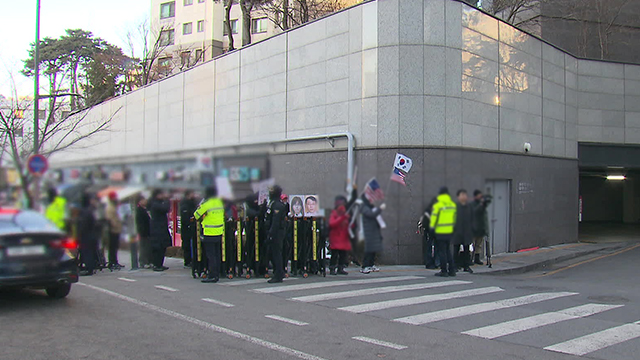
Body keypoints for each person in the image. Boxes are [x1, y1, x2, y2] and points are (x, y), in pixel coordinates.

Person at [194, 186, 225, 283]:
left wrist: (200, 208)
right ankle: (217, 274)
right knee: (217, 254)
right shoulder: (220, 203)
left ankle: (212, 275)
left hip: (209, 232)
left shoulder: (207, 204)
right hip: (219, 232)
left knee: (211, 256)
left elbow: (196, 215)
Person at [430, 187, 457, 277]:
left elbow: (433, 218)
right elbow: (455, 219)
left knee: (442, 251)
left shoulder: (438, 205)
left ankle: (444, 270)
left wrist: (432, 228)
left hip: (440, 231)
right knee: (448, 250)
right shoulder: (452, 205)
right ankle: (452, 270)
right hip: (449, 231)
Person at [265, 185, 287, 283]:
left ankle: (278, 275)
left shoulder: (277, 205)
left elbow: (275, 222)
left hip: (277, 233)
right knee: (273, 253)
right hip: (274, 232)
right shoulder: (272, 203)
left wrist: (270, 234)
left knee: (276, 254)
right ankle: (279, 272)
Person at [359, 194, 385, 274]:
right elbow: (371, 215)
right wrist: (380, 209)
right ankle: (365, 266)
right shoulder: (364, 207)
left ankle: (371, 264)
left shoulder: (371, 207)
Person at [148, 189, 171, 272]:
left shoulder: (157, 203)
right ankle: (157, 265)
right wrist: (167, 200)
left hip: (161, 228)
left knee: (162, 248)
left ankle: (159, 264)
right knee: (158, 248)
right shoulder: (155, 204)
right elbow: (166, 208)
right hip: (157, 229)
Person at [329, 196, 351, 275]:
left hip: (343, 238)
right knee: (334, 254)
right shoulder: (334, 213)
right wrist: (341, 218)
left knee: (343, 254)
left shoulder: (345, 214)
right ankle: (332, 268)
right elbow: (332, 224)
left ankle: (340, 267)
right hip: (335, 237)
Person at [453, 189, 474, 274]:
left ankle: (466, 266)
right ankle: (455, 265)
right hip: (457, 232)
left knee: (466, 249)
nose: (463, 197)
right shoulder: (455, 206)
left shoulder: (469, 207)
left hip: (466, 232)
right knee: (456, 249)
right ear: (458, 197)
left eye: (465, 195)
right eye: (462, 195)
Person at [77, 193, 98, 276]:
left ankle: (89, 269)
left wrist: (79, 233)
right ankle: (90, 267)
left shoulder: (84, 212)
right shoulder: (90, 211)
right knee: (89, 252)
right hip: (91, 235)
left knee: (87, 252)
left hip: (86, 236)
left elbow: (83, 225)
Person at [419, 196, 440, 269]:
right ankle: (432, 263)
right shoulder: (429, 213)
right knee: (431, 248)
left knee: (432, 248)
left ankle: (434, 262)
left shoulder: (431, 212)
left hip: (431, 232)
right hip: (431, 232)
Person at [105, 191, 124, 269]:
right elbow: (110, 219)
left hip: (115, 229)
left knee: (114, 247)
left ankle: (114, 261)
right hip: (113, 230)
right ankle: (112, 262)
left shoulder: (113, 206)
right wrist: (115, 226)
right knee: (112, 247)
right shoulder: (110, 207)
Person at [472, 190, 490, 265]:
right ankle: (470, 259)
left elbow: (485, 220)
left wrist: (486, 230)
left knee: (479, 245)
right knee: (472, 244)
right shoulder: (473, 205)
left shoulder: (483, 207)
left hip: (481, 229)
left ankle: (477, 258)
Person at [180, 190, 197, 267]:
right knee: (187, 245)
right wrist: (190, 222)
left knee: (191, 245)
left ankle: (191, 260)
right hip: (187, 229)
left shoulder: (192, 204)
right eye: (192, 193)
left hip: (192, 228)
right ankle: (188, 261)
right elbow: (185, 218)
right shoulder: (185, 205)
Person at [135, 195, 152, 269]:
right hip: (143, 232)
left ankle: (147, 261)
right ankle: (143, 262)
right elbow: (140, 222)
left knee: (147, 247)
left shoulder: (145, 209)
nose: (146, 201)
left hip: (147, 231)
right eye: (144, 200)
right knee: (144, 247)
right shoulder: (139, 210)